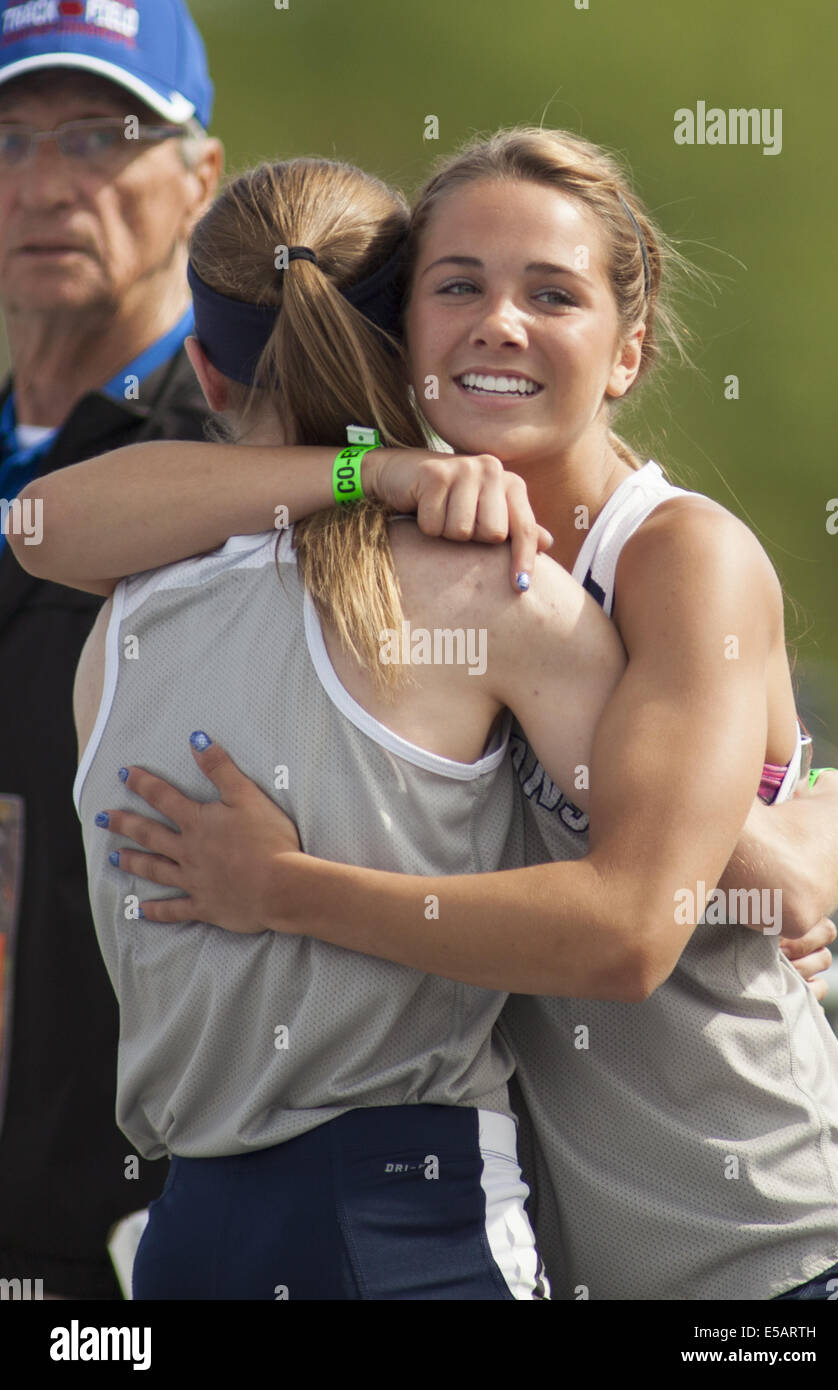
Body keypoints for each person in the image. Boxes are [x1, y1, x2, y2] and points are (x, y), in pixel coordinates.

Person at [13, 128, 838, 1300]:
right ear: (393, 332)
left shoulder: (669, 558)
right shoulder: (432, 550)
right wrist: (372, 471)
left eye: (551, 294)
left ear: (628, 351)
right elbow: (45, 524)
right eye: (456, 284)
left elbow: (660, 915)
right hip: (561, 1250)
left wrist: (287, 889)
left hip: (749, 1249)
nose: (498, 322)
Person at [68, 153, 631, 1301]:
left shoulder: (117, 624)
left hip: (185, 1236)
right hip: (408, 1230)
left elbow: (37, 527)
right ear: (403, 347)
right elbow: (684, 875)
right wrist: (822, 814)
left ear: (204, 379)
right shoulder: (503, 590)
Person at [0, 1, 222, 1298]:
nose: (46, 182)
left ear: (200, 176)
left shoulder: (257, 464)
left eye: (101, 133)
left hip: (155, 1222)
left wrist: (784, 810)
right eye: (11, 137)